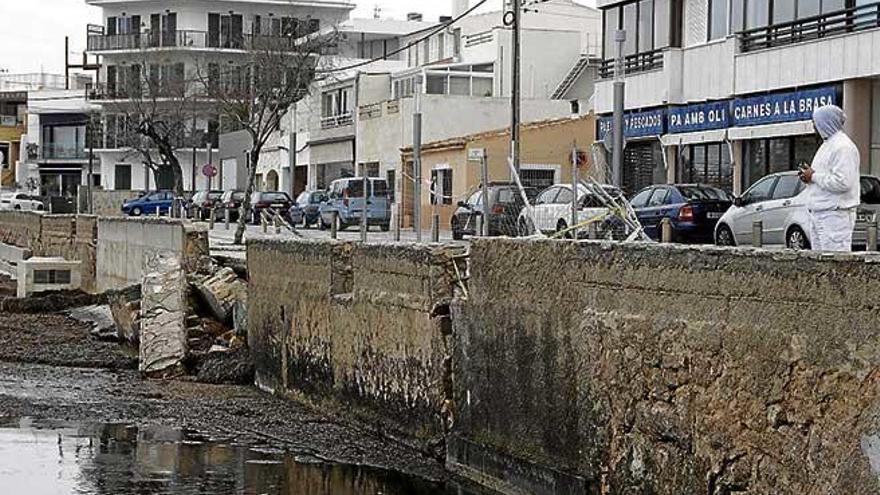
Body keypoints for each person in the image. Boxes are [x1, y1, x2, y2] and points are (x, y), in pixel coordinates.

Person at [798, 105, 861, 252]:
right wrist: (809, 176)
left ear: (825, 122)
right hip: (821, 213)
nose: (814, 126)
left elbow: (843, 182)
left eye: (816, 122)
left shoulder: (843, 147)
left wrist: (813, 176)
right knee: (821, 264)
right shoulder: (828, 145)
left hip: (835, 215)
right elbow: (824, 176)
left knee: (835, 262)